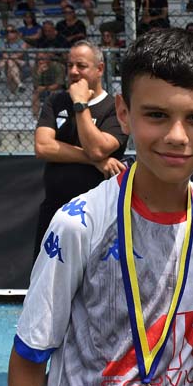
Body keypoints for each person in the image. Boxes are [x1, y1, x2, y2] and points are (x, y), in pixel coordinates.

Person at [9, 28, 193, 386]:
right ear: (124, 113)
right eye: (156, 115)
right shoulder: (79, 224)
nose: (176, 135)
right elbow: (27, 360)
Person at [32, 40, 129, 257]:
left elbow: (98, 149)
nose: (74, 71)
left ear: (100, 69)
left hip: (98, 215)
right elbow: (43, 146)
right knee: (46, 275)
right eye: (70, 65)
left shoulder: (115, 108)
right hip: (55, 211)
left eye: (81, 66)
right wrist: (94, 161)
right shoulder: (55, 101)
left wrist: (80, 104)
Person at [31, 52, 65, 118]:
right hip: (42, 90)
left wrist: (46, 88)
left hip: (55, 89)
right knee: (35, 93)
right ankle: (35, 117)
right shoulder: (36, 67)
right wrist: (39, 72)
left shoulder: (57, 66)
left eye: (43, 59)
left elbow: (59, 84)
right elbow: (35, 85)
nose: (40, 61)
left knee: (54, 93)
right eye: (38, 59)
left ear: (48, 59)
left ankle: (55, 115)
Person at [0, 24, 28, 95]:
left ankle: (12, 93)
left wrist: (13, 58)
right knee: (10, 63)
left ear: (16, 33)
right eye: (7, 32)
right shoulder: (2, 42)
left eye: (12, 31)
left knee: (9, 66)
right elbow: (4, 54)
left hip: (21, 67)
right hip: (9, 65)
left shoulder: (22, 43)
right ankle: (19, 84)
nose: (9, 33)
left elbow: (18, 55)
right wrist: (16, 59)